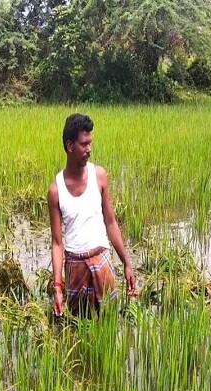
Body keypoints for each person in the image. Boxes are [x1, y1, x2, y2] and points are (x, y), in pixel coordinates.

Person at [47, 113, 136, 317]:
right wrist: (58, 287)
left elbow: (111, 222)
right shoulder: (55, 191)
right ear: (70, 146)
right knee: (76, 325)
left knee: (110, 322)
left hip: (102, 260)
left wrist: (127, 264)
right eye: (84, 144)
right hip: (74, 265)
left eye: (90, 143)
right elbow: (57, 243)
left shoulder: (100, 176)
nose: (89, 149)